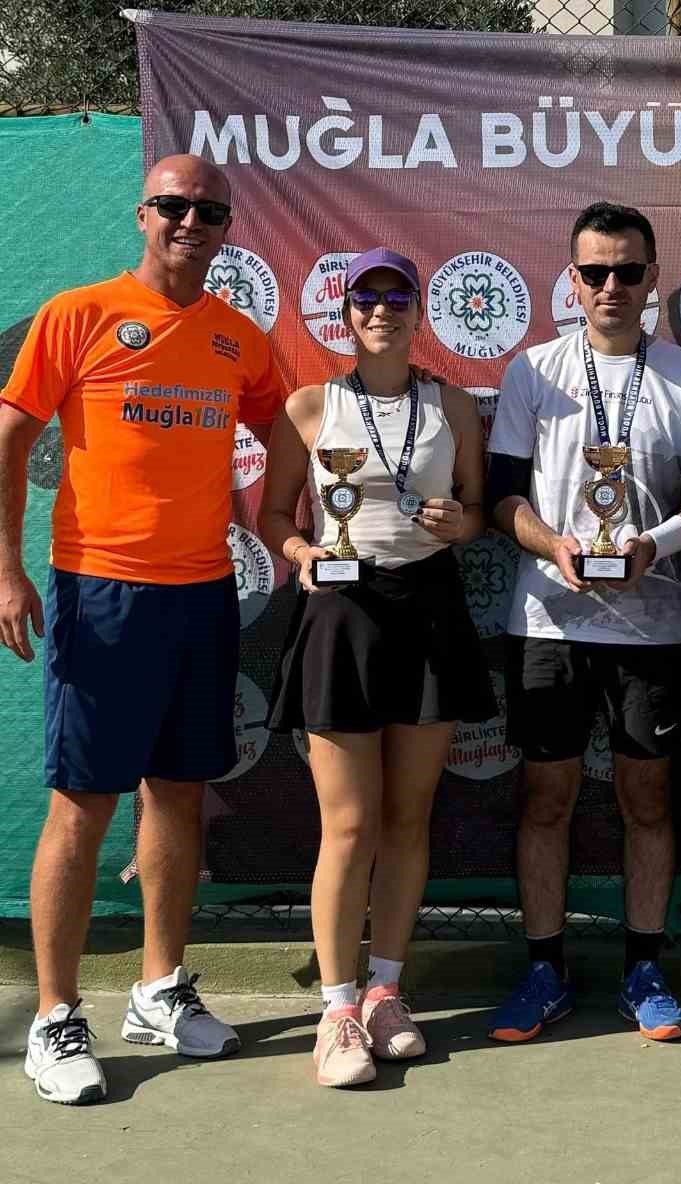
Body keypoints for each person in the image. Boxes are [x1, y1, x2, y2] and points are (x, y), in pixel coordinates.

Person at [0, 155, 287, 1104]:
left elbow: (283, 435)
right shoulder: (78, 314)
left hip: (203, 593)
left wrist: (293, 527)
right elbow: (9, 437)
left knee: (178, 795)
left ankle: (159, 988)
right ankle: (54, 1016)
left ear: (227, 226)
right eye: (173, 205)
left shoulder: (239, 337)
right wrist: (6, 570)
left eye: (209, 211)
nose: (190, 222)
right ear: (143, 214)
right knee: (83, 805)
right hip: (101, 592)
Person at [259, 247, 492, 1087]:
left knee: (406, 819)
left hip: (428, 612)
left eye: (398, 297)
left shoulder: (453, 406)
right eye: (367, 298)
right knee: (350, 825)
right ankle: (336, 1010)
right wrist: (301, 553)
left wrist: (460, 523)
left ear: (418, 312)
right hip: (341, 618)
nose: (382, 310)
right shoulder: (309, 406)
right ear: (347, 314)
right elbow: (273, 514)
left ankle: (387, 992)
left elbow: (474, 511)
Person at [484, 203, 681, 1043]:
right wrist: (553, 544)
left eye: (627, 270)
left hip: (652, 627)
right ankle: (543, 969)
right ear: (572, 281)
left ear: (653, 277)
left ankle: (644, 968)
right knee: (546, 798)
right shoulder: (532, 372)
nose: (611, 286)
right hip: (548, 622)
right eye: (594, 272)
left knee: (646, 800)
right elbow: (501, 497)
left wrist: (653, 545)